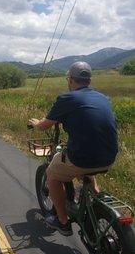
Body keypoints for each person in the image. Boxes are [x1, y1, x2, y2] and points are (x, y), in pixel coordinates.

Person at [28, 61, 118, 236]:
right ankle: (97, 195)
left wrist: (35, 122)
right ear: (89, 80)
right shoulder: (103, 97)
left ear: (70, 80)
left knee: (53, 175)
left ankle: (62, 222)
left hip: (82, 158)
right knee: (88, 164)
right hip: (109, 156)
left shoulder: (67, 98)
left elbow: (44, 126)